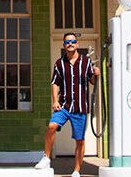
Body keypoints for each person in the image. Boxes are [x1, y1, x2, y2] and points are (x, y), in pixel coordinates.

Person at [35, 32, 97, 177]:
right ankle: (46, 158)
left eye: (73, 41)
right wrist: (55, 101)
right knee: (51, 126)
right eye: (67, 42)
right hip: (64, 105)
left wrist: (95, 73)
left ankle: (76, 170)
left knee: (79, 140)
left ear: (77, 44)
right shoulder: (59, 63)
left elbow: (92, 81)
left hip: (80, 107)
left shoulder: (86, 61)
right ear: (64, 45)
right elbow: (55, 83)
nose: (70, 44)